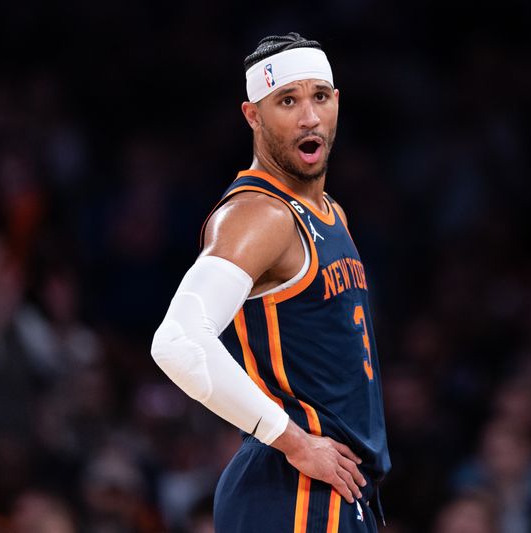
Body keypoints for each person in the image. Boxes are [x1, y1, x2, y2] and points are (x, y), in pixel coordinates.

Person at [151, 32, 390, 532]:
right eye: (287, 101)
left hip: (337, 485)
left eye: (319, 97)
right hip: (293, 485)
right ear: (252, 116)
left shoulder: (331, 213)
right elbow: (177, 342)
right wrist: (294, 441)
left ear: (337, 103)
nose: (309, 117)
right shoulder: (260, 214)